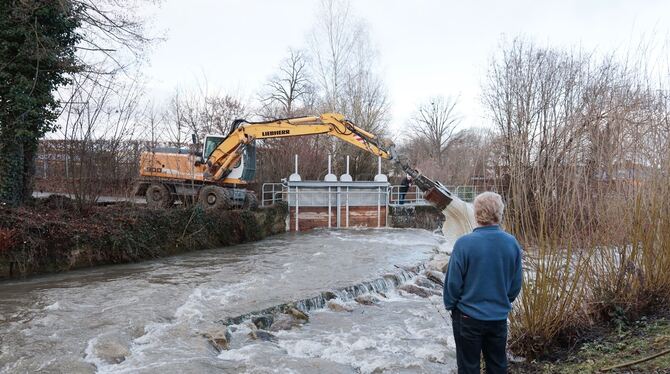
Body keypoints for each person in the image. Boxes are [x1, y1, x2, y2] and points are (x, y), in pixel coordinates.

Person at [443, 192, 523, 374]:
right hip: (498, 317)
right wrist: (501, 301)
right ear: (500, 213)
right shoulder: (512, 243)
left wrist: (452, 306)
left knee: (468, 367)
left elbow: (452, 284)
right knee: (497, 366)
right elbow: (516, 284)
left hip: (467, 317)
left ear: (476, 213)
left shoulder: (464, 244)